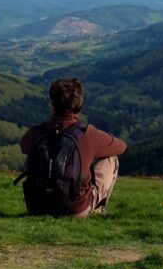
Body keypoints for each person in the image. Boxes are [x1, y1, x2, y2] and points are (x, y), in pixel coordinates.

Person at [19, 78, 126, 217]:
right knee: (111, 158)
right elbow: (121, 146)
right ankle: (97, 209)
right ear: (79, 105)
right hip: (75, 209)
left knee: (31, 157)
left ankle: (42, 200)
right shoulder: (87, 134)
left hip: (37, 208)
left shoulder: (38, 132)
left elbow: (24, 147)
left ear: (52, 105)